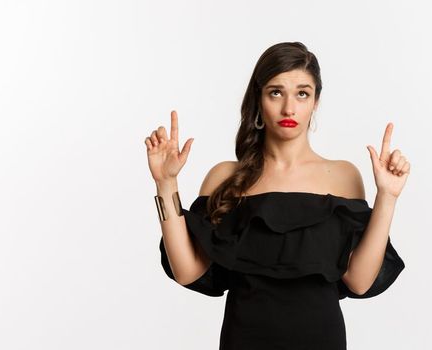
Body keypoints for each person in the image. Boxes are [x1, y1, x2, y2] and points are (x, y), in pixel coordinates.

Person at [144, 41, 410, 350]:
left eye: (302, 93)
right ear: (258, 100)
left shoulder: (344, 176)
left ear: (315, 102)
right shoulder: (226, 176)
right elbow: (186, 270)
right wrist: (166, 184)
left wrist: (388, 197)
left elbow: (360, 281)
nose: (289, 108)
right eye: (275, 92)